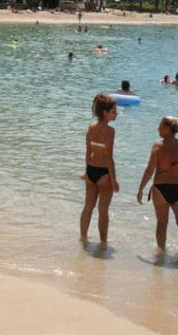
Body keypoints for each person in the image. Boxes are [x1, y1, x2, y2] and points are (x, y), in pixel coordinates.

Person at [137, 116, 178, 253]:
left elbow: (149, 170)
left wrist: (141, 188)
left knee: (161, 223)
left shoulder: (158, 147)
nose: (157, 128)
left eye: (160, 126)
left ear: (167, 128)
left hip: (161, 189)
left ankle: (160, 253)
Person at [80, 94, 119, 244]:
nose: (116, 114)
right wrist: (114, 180)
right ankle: (103, 243)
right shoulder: (110, 131)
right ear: (105, 112)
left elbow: (88, 152)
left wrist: (86, 172)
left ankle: (83, 238)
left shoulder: (91, 128)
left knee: (88, 207)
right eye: (113, 111)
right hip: (104, 173)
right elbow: (109, 157)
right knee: (103, 210)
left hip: (91, 170)